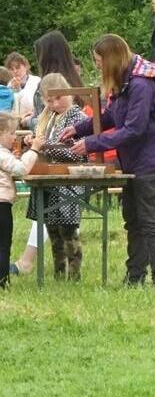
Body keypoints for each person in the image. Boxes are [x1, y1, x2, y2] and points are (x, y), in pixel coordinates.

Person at [62, 34, 155, 284]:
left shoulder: (140, 85)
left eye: (99, 60)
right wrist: (79, 129)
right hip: (133, 162)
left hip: (150, 162)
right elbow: (112, 116)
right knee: (133, 221)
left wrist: (91, 143)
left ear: (111, 59)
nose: (97, 66)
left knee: (151, 220)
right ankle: (135, 276)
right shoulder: (125, 84)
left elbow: (134, 128)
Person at [28, 74, 88, 280]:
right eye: (49, 100)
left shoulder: (78, 118)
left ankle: (74, 273)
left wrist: (47, 147)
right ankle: (59, 272)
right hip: (49, 177)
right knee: (52, 229)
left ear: (68, 93)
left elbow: (78, 152)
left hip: (70, 181)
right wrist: (34, 142)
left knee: (68, 229)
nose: (54, 104)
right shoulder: (49, 118)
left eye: (57, 98)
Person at [1, 113, 42, 288]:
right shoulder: (2, 154)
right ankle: (2, 281)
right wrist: (34, 150)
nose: (13, 137)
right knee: (2, 245)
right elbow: (20, 169)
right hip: (1, 205)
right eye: (11, 133)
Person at [4, 52, 40, 118]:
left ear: (26, 66)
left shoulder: (36, 81)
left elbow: (33, 105)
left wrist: (19, 90)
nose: (15, 71)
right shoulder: (9, 85)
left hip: (32, 120)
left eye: (18, 68)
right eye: (12, 69)